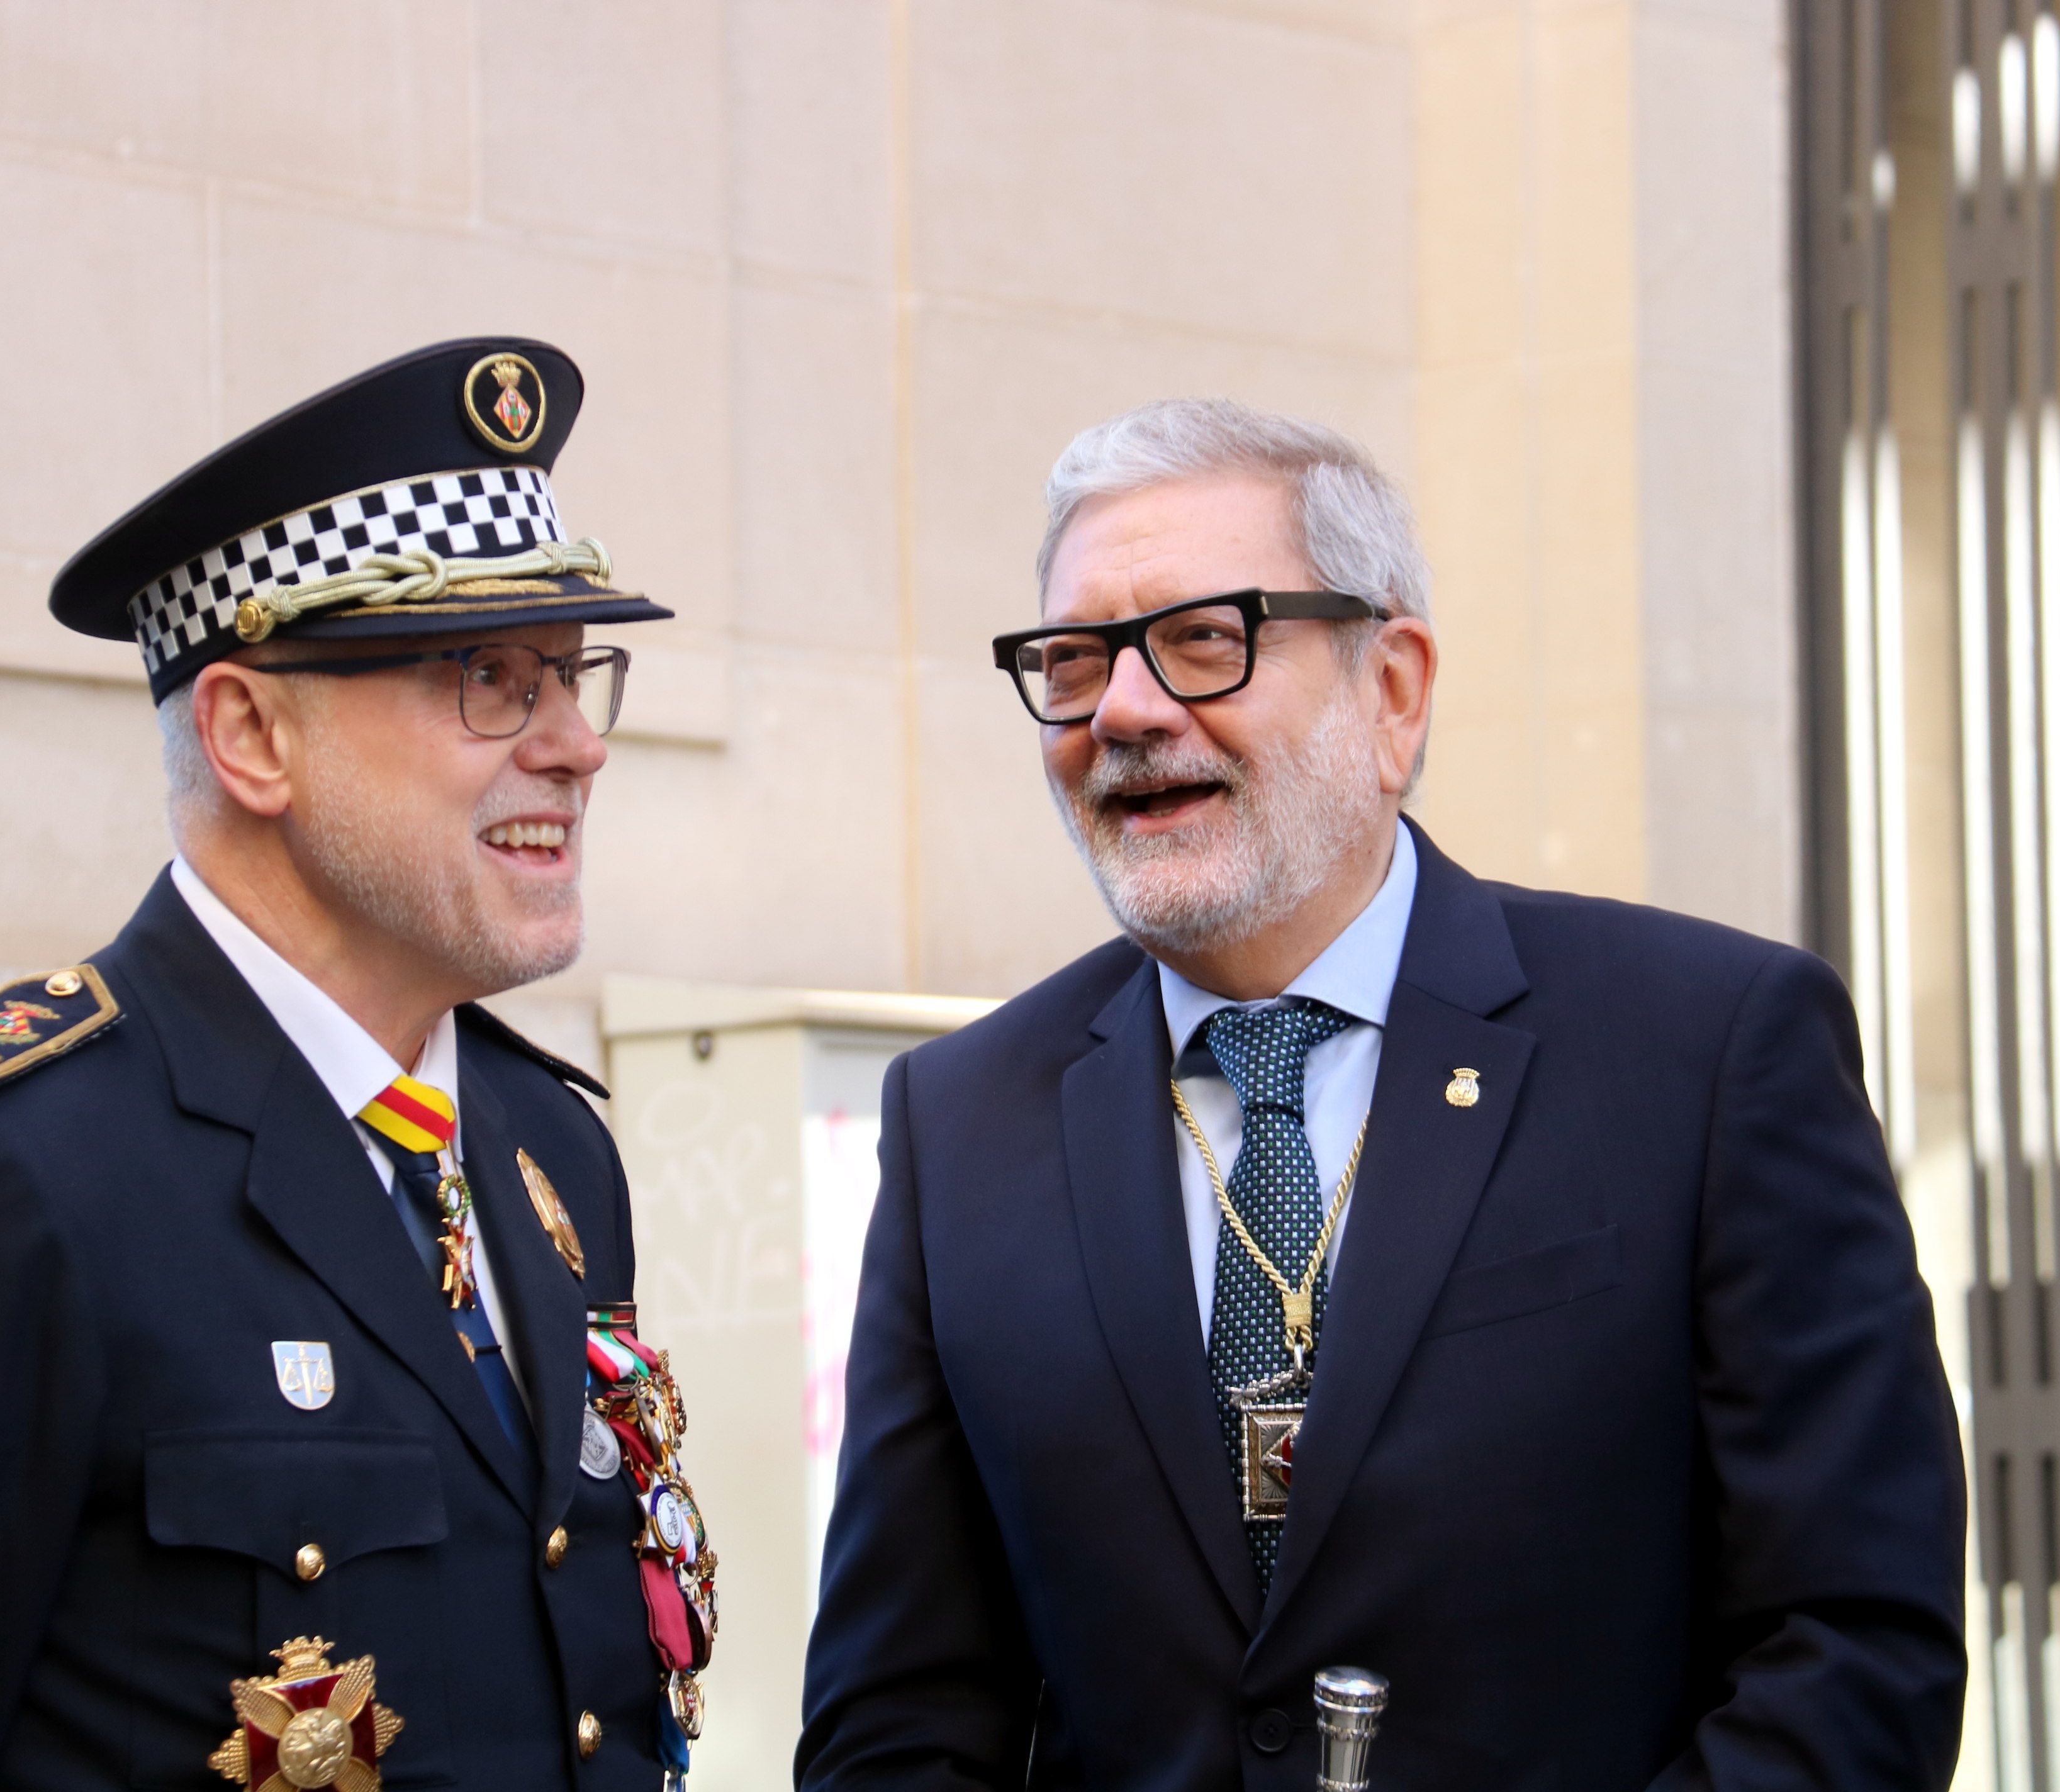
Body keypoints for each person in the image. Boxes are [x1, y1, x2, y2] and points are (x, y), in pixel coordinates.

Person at [796, 398, 1966, 1789]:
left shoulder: (1706, 1050)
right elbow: (901, 1717)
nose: (1121, 709)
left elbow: (1855, 1642)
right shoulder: (961, 1124)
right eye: (1073, 658)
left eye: (1202, 639)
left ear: (1394, 687)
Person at [0, 339, 716, 1791]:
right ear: (250, 731)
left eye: (574, 676)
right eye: (488, 678)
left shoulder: (541, 1145)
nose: (577, 746)